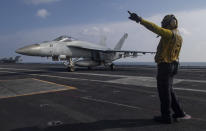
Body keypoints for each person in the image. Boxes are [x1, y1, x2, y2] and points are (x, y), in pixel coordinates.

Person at [128, 11, 191, 124]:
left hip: (165, 66)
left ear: (168, 23)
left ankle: (166, 116)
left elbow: (155, 28)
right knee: (169, 90)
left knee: (164, 92)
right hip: (174, 65)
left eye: (164, 23)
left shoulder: (169, 34)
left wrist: (140, 20)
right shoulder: (179, 36)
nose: (163, 24)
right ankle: (179, 112)